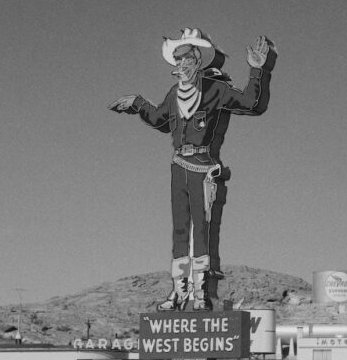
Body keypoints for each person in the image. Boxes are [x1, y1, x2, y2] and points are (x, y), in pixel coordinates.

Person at [110, 28, 276, 310]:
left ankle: (200, 292)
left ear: (198, 60)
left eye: (186, 58)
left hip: (203, 168)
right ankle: (178, 291)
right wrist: (138, 104)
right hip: (178, 166)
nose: (181, 64)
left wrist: (258, 71)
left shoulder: (215, 90)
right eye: (177, 59)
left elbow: (252, 104)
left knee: (202, 229)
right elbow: (161, 119)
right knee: (179, 230)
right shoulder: (174, 93)